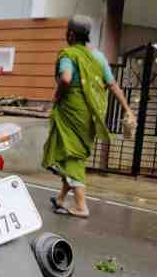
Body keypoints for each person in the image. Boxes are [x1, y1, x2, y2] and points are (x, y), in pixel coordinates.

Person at [42, 15, 134, 218]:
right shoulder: (98, 57)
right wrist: (127, 109)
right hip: (90, 116)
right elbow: (112, 85)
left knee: (72, 157)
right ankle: (60, 198)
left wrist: (58, 94)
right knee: (73, 154)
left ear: (71, 34)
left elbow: (65, 78)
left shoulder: (69, 55)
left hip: (71, 113)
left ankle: (81, 206)